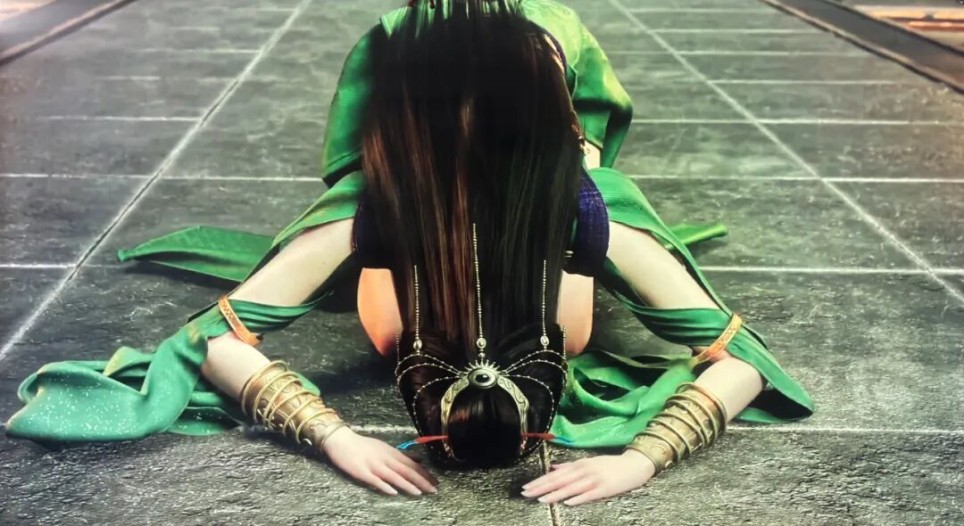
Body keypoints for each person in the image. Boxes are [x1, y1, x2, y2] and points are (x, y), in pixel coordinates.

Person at [4, 0, 813, 506]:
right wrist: (333, 434)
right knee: (399, 314)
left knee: (570, 317)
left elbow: (748, 357)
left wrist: (641, 460)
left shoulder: (587, 208)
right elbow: (208, 339)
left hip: (550, 169)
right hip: (417, 176)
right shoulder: (375, 203)